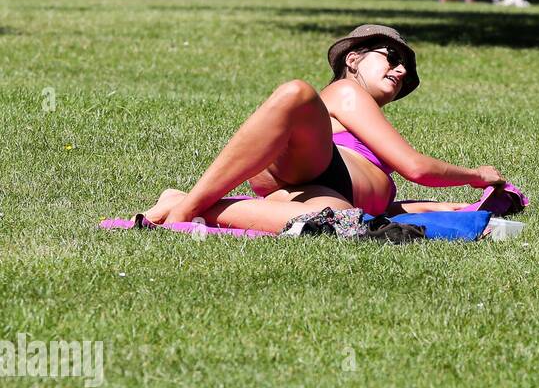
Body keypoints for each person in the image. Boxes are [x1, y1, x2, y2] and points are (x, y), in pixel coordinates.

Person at [140, 24, 508, 233]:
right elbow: (417, 168)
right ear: (353, 59)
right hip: (321, 169)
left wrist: (437, 207)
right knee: (297, 93)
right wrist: (476, 175)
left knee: (334, 226)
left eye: (406, 70)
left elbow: (383, 203)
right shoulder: (345, 93)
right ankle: (188, 205)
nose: (400, 71)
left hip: (320, 193)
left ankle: (179, 202)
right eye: (391, 58)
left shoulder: (358, 116)